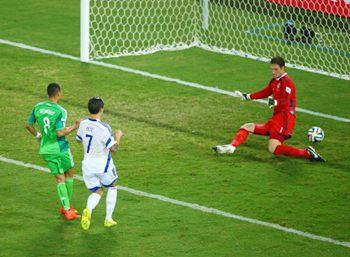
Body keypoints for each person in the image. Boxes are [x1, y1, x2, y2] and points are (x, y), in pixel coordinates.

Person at [212, 56, 325, 162]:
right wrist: (247, 96)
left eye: (276, 69)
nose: (273, 72)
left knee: (273, 148)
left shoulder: (287, 82)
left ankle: (308, 153)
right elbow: (265, 92)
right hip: (276, 118)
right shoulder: (274, 81)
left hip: (285, 119)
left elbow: (286, 100)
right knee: (247, 127)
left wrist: (275, 102)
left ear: (282, 68)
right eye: (272, 69)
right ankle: (232, 147)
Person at [25, 83, 80, 220]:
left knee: (60, 177)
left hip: (46, 149)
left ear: (48, 93)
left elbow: (28, 125)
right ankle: (67, 210)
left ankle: (66, 207)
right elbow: (60, 132)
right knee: (68, 173)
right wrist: (75, 126)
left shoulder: (38, 106)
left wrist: (38, 136)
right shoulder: (60, 110)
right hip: (60, 148)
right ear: (59, 93)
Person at [77, 97, 123, 230]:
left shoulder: (83, 124)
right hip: (103, 165)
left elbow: (79, 140)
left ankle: (88, 209)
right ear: (101, 109)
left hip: (87, 165)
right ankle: (108, 219)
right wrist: (118, 136)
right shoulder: (104, 128)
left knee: (98, 191)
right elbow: (113, 149)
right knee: (112, 186)